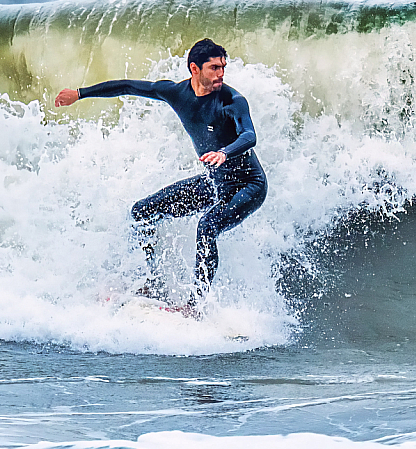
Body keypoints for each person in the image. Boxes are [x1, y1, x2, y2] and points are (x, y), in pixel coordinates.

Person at [54, 38, 267, 317]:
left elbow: (249, 136)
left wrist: (225, 153)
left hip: (248, 184)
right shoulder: (176, 93)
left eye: (223, 67)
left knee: (207, 226)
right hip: (216, 183)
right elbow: (129, 86)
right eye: (214, 67)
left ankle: (196, 306)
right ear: (194, 68)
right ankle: (153, 283)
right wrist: (80, 93)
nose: (221, 74)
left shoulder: (232, 101)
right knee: (142, 212)